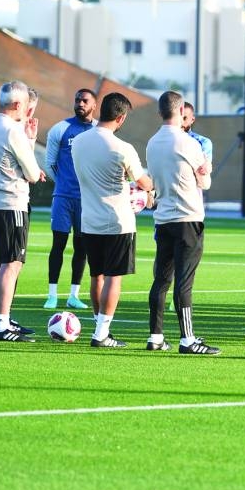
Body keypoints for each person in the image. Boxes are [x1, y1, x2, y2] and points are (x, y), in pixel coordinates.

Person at [72, 92, 153, 348]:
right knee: (113, 277)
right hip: (118, 221)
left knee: (97, 276)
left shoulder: (79, 142)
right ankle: (101, 334)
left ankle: (99, 326)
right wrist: (148, 191)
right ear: (121, 117)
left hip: (89, 220)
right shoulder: (122, 148)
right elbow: (143, 181)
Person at [145, 91, 219, 355]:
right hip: (188, 218)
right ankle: (188, 339)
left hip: (163, 218)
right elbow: (205, 182)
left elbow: (151, 180)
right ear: (180, 111)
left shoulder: (152, 143)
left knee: (161, 280)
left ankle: (155, 335)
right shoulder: (189, 144)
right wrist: (205, 172)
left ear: (161, 112)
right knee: (184, 282)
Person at [0, 80, 46, 342]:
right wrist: (30, 145)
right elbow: (30, 171)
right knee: (11, 264)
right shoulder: (12, 131)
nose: (27, 109)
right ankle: (2, 324)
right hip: (12, 203)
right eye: (25, 104)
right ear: (17, 104)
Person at [43, 88, 96, 311]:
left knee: (81, 247)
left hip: (87, 201)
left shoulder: (99, 131)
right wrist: (64, 182)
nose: (80, 103)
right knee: (58, 244)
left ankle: (74, 294)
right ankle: (52, 294)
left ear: (94, 104)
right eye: (77, 100)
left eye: (85, 100)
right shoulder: (61, 128)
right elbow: (50, 163)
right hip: (63, 197)